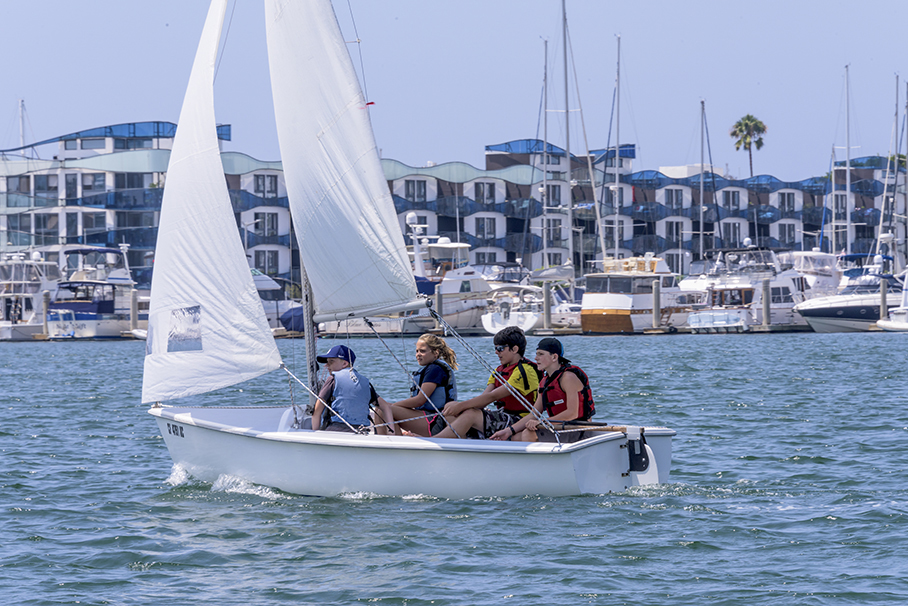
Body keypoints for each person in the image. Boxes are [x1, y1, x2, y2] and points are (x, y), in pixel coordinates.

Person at [434, 326, 539, 439]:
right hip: (502, 415)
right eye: (495, 348)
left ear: (514, 349)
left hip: (519, 420)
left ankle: (436, 440)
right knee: (450, 406)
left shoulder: (526, 371)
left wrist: (461, 406)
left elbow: (493, 396)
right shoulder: (499, 371)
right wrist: (458, 407)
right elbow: (485, 397)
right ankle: (462, 443)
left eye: (500, 349)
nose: (496, 352)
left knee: (470, 414)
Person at [491, 337, 595, 443]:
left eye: (540, 354)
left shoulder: (568, 378)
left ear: (554, 357)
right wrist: (508, 431)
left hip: (579, 430)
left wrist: (542, 422)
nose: (536, 358)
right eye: (536, 354)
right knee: (514, 437)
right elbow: (533, 414)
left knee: (528, 433)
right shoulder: (544, 382)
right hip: (561, 428)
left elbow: (572, 413)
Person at [311, 344, 398, 434]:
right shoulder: (364, 382)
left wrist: (315, 434)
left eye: (331, 362)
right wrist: (391, 432)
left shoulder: (332, 379)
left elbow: (316, 412)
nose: (326, 365)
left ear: (344, 363)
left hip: (335, 431)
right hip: (361, 432)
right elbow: (386, 406)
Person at [386, 334, 458, 436]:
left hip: (437, 421)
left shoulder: (435, 369)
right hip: (427, 417)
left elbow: (420, 400)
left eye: (422, 351)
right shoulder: (429, 369)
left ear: (435, 353)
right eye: (417, 351)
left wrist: (391, 406)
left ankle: (393, 445)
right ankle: (397, 441)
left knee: (384, 410)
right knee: (384, 410)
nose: (418, 354)